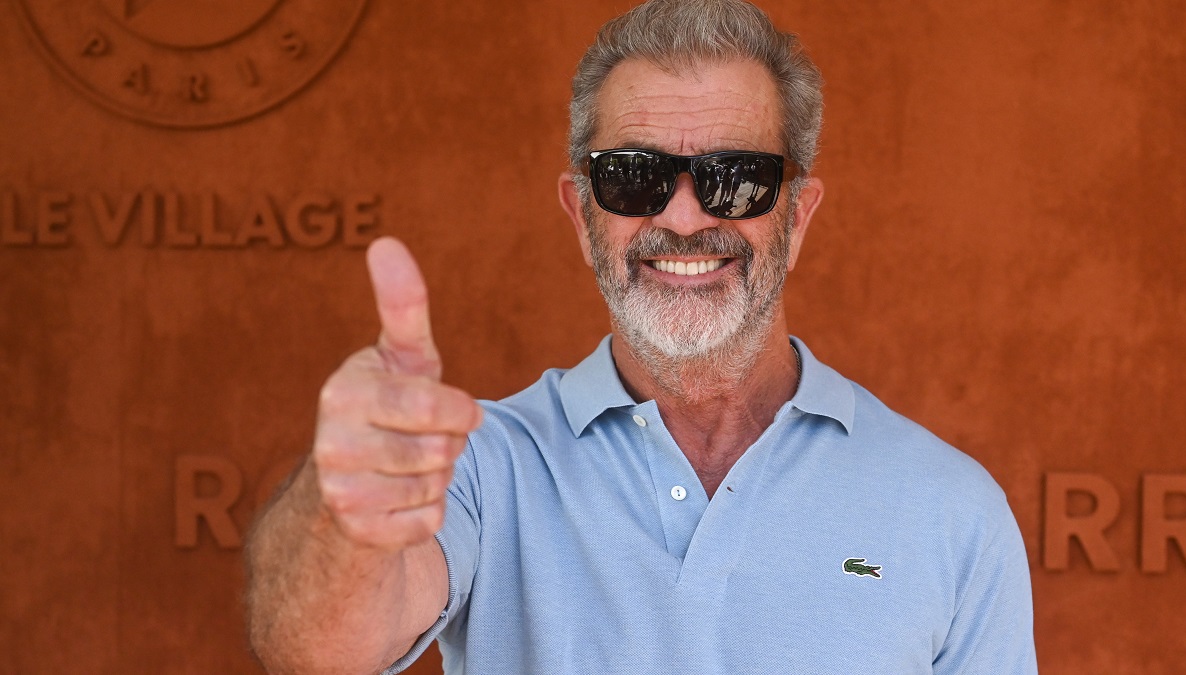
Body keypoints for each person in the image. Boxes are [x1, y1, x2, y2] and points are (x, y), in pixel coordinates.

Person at [245, 1, 1037, 673]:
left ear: (796, 217)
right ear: (584, 218)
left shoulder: (952, 511)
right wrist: (338, 503)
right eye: (633, 176)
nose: (684, 218)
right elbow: (315, 647)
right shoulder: (482, 467)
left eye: (737, 178)